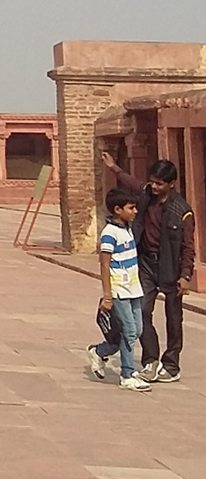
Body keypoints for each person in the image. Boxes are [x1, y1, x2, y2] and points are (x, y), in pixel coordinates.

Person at [101, 151, 195, 382]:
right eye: (152, 181)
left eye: (159, 183)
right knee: (142, 312)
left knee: (173, 317)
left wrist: (185, 275)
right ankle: (150, 359)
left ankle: (171, 364)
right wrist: (113, 167)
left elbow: (188, 247)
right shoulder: (145, 196)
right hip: (145, 264)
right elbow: (131, 182)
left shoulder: (182, 211)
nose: (153, 186)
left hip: (171, 267)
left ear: (171, 184)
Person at [88, 188, 152, 391]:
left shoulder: (127, 229)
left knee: (136, 330)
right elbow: (104, 265)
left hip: (134, 288)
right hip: (119, 291)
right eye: (131, 208)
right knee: (129, 331)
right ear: (117, 209)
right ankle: (127, 373)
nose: (135, 211)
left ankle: (100, 351)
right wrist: (107, 295)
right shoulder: (109, 234)